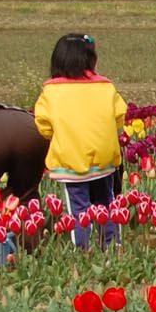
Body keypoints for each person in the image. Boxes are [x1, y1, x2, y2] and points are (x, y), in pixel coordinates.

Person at [33, 33, 126, 249]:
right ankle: (112, 246)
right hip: (104, 159)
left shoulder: (52, 92)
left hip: (70, 161)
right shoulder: (106, 87)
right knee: (107, 203)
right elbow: (119, 118)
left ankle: (82, 250)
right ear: (91, 60)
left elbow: (43, 125)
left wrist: (61, 136)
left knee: (79, 209)